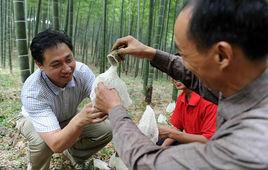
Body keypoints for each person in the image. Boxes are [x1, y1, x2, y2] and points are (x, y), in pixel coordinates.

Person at [94, 0, 268, 169]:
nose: (182, 62)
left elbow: (149, 164)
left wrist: (115, 109)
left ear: (222, 55)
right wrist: (150, 53)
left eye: (184, 55)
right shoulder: (243, 81)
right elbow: (196, 77)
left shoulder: (251, 144)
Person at [16, 29, 112, 170]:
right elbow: (56, 145)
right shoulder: (33, 92)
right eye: (56, 64)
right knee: (43, 143)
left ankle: (74, 156)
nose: (67, 69)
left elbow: (103, 99)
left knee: (106, 130)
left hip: (68, 115)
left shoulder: (82, 72)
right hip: (32, 120)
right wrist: (80, 120)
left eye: (69, 59)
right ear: (40, 65)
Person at [158, 80, 217, 146]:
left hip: (208, 148)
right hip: (191, 143)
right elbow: (177, 128)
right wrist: (162, 147)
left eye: (180, 74)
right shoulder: (181, 98)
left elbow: (208, 140)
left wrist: (170, 133)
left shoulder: (210, 101)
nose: (175, 79)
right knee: (160, 142)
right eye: (174, 75)